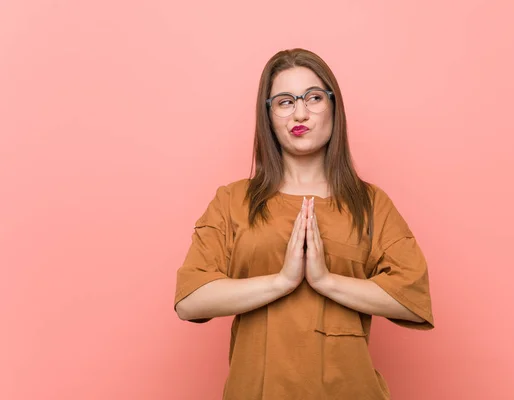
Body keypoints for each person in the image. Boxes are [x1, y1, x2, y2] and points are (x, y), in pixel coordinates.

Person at [173, 48, 434, 400]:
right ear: (268, 115)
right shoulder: (233, 201)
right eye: (284, 101)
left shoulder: (370, 204)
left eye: (313, 98)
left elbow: (413, 301)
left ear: (333, 106)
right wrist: (282, 281)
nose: (300, 112)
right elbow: (190, 299)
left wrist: (326, 280)